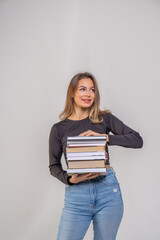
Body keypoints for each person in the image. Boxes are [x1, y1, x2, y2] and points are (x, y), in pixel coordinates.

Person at [49, 72, 143, 240]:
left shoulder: (104, 119)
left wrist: (105, 138)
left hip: (108, 191)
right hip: (77, 195)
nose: (88, 94)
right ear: (72, 92)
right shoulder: (59, 129)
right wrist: (70, 180)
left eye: (92, 90)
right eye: (83, 89)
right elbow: (53, 165)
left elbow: (137, 140)